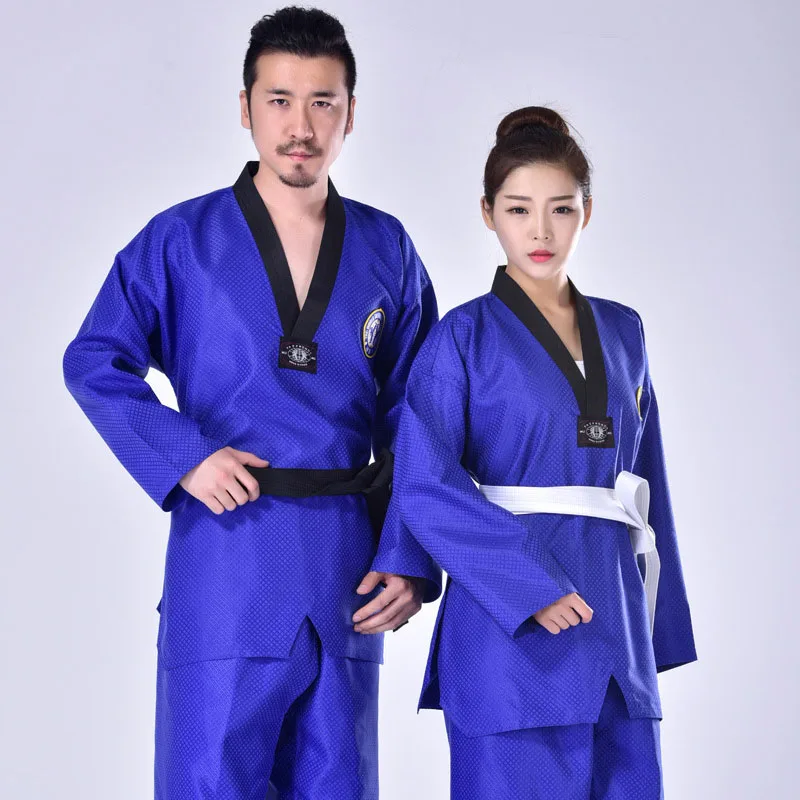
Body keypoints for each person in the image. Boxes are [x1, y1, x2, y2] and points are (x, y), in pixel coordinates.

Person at [63, 7, 441, 798]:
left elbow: (422, 419)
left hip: (344, 570)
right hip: (226, 561)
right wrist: (186, 456)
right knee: (210, 781)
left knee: (339, 783)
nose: (301, 127)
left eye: (322, 102)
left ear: (350, 113)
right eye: (279, 100)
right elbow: (94, 359)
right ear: (245, 108)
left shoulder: (387, 250)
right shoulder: (182, 241)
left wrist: (409, 554)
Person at [391, 106, 697, 798]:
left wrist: (659, 631)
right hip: (510, 633)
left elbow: (647, 482)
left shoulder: (624, 332)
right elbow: (424, 483)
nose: (540, 231)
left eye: (561, 208)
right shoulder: (461, 337)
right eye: (519, 209)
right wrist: (529, 585)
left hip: (614, 630)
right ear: (488, 213)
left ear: (587, 212)